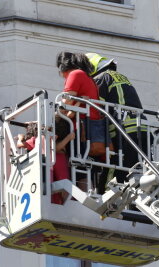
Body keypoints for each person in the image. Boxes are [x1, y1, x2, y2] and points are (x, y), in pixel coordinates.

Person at [86, 53, 150, 189]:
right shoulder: (120, 77)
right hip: (142, 128)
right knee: (139, 173)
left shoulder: (101, 78)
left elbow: (97, 107)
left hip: (124, 131)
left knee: (113, 174)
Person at [56, 51, 111, 191]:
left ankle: (83, 203)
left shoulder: (75, 74)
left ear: (63, 67)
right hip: (90, 129)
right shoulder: (87, 77)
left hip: (82, 131)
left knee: (79, 171)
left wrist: (61, 110)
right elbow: (71, 109)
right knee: (84, 170)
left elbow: (65, 103)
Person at [17, 118, 74, 204]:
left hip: (48, 169)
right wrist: (68, 138)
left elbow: (20, 144)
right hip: (51, 166)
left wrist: (20, 137)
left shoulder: (36, 140)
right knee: (60, 184)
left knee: (55, 186)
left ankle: (60, 202)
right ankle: (66, 202)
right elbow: (57, 148)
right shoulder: (43, 138)